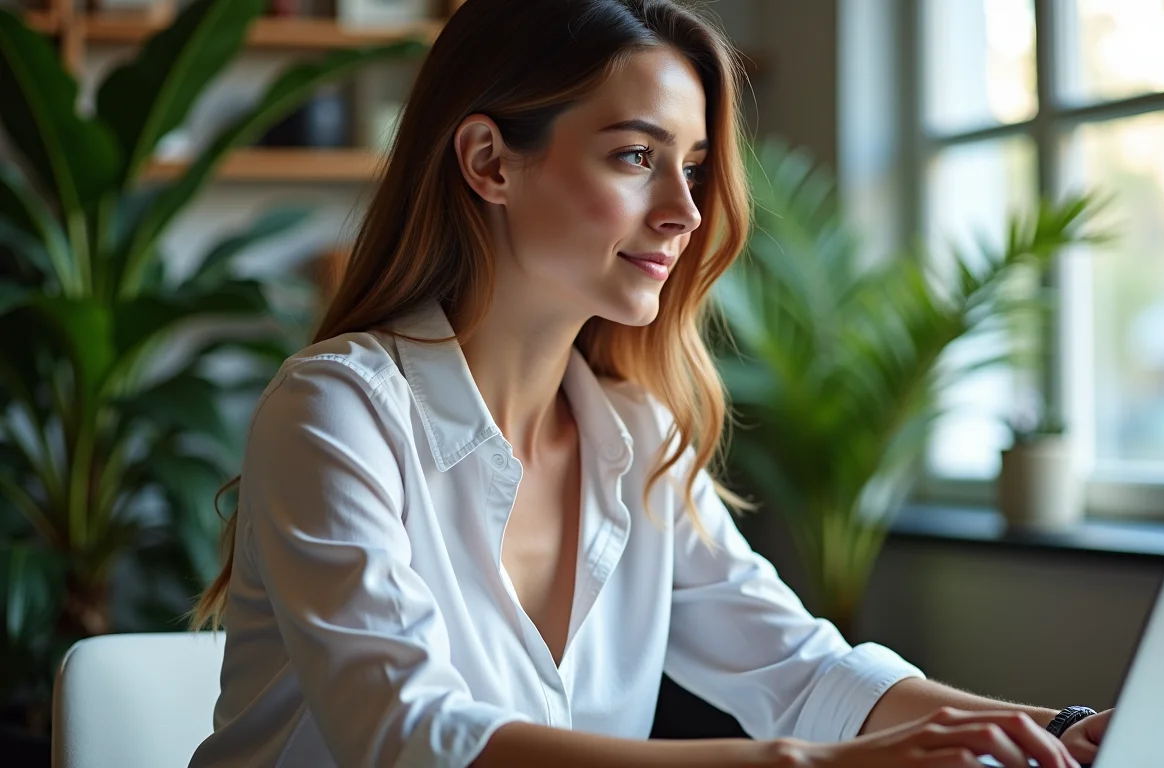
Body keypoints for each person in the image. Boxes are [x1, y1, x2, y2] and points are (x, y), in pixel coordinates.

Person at [187, 1, 1112, 766]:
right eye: (636, 156)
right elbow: (409, 736)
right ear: (488, 162)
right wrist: (803, 764)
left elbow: (800, 669)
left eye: (695, 168)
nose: (685, 212)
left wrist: (1061, 732)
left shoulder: (635, 435)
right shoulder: (336, 412)